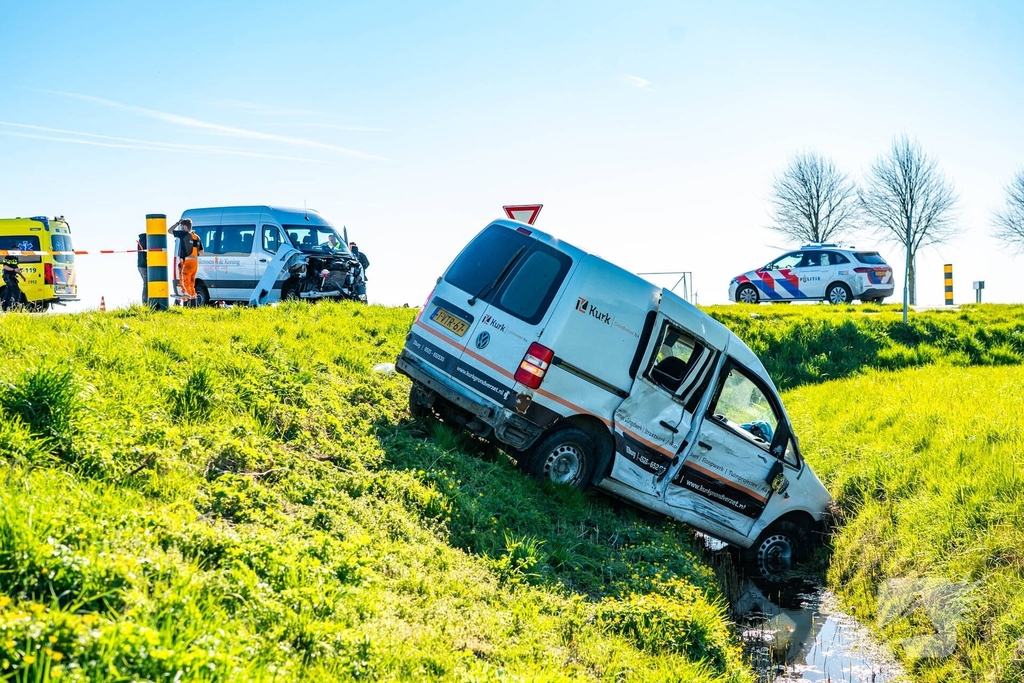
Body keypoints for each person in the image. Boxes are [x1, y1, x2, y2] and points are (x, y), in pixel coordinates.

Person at [169, 218, 203, 305]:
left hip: (187, 262)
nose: (180, 228)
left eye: (181, 226)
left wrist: (177, 223)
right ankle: (192, 304)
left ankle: (189, 301)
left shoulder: (183, 234)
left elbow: (170, 231)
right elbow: (201, 252)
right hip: (195, 263)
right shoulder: (197, 237)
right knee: (191, 283)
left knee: (184, 283)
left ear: (184, 226)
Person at [136, 232, 149, 304]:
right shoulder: (146, 241)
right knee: (146, 284)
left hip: (141, 265)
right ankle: (145, 303)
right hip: (145, 265)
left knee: (146, 284)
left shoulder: (141, 240)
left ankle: (146, 302)